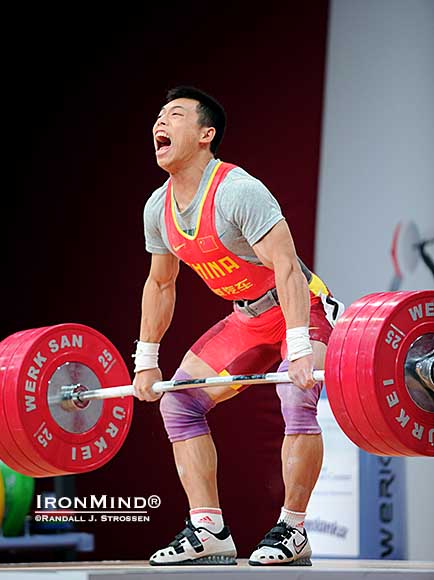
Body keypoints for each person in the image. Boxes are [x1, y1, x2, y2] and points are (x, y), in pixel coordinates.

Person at [133, 86, 344, 567]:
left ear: (206, 134)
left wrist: (297, 347)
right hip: (246, 317)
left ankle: (293, 530)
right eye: (159, 116)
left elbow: (288, 267)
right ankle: (210, 530)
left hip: (300, 308)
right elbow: (160, 285)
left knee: (295, 395)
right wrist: (146, 360)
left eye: (176, 115)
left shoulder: (236, 190)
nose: (160, 124)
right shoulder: (156, 209)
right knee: (179, 399)